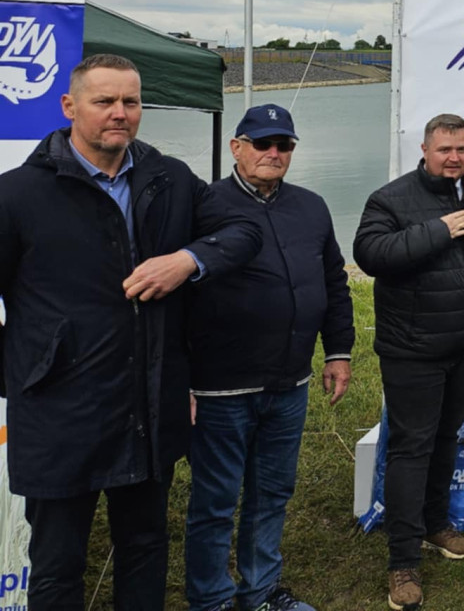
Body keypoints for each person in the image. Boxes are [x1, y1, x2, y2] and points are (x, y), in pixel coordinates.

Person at [0, 53, 260, 611]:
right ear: (69, 106)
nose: (120, 113)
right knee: (57, 566)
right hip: (59, 417)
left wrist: (188, 260)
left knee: (144, 548)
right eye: (104, 101)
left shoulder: (170, 179)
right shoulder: (17, 194)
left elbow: (243, 230)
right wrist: (24, 373)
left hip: (147, 408)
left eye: (131, 102)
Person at [354, 114, 464, 611]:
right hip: (412, 349)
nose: (454, 158)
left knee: (447, 437)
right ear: (425, 150)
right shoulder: (390, 199)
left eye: (461, 149)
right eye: (444, 150)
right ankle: (403, 560)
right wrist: (436, 231)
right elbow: (370, 254)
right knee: (412, 448)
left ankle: (435, 525)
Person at [184, 104, 356, 611]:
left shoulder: (311, 206)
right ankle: (211, 599)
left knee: (273, 492)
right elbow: (176, 294)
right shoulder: (202, 206)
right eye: (262, 143)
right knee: (215, 500)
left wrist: (338, 351)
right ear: (236, 148)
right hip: (220, 387)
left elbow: (333, 282)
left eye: (284, 145)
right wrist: (179, 376)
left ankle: (259, 591)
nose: (274, 153)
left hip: (289, 382)